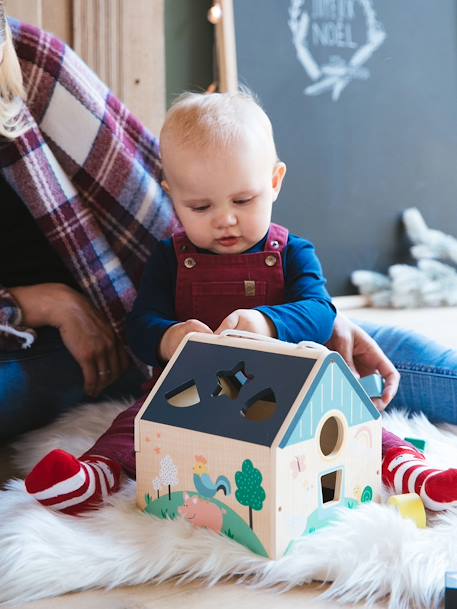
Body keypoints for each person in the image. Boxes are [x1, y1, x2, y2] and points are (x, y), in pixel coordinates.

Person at [24, 91, 457, 515]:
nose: (224, 218)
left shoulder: (292, 251)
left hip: (291, 389)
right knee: (135, 426)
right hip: (191, 392)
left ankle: (413, 474)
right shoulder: (170, 258)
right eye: (199, 206)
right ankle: (96, 475)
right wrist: (170, 337)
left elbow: (320, 311)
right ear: (171, 194)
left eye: (243, 200)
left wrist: (266, 323)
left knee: (356, 423)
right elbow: (139, 328)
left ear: (274, 182)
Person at [0, 13, 177, 441]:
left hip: (108, 324)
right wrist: (39, 303)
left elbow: (162, 195)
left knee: (344, 340)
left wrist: (284, 281)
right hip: (24, 340)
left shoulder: (25, 59)